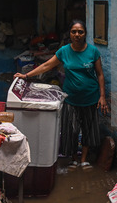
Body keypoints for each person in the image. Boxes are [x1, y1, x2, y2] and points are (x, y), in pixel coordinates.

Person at [13, 20, 109, 169]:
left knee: (89, 130)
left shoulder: (93, 52)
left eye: (80, 32)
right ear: (70, 34)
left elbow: (100, 75)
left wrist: (102, 96)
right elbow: (46, 65)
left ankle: (83, 159)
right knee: (71, 130)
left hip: (90, 97)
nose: (77, 35)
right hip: (70, 98)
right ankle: (73, 159)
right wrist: (26, 76)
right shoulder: (63, 51)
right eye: (74, 31)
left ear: (85, 34)